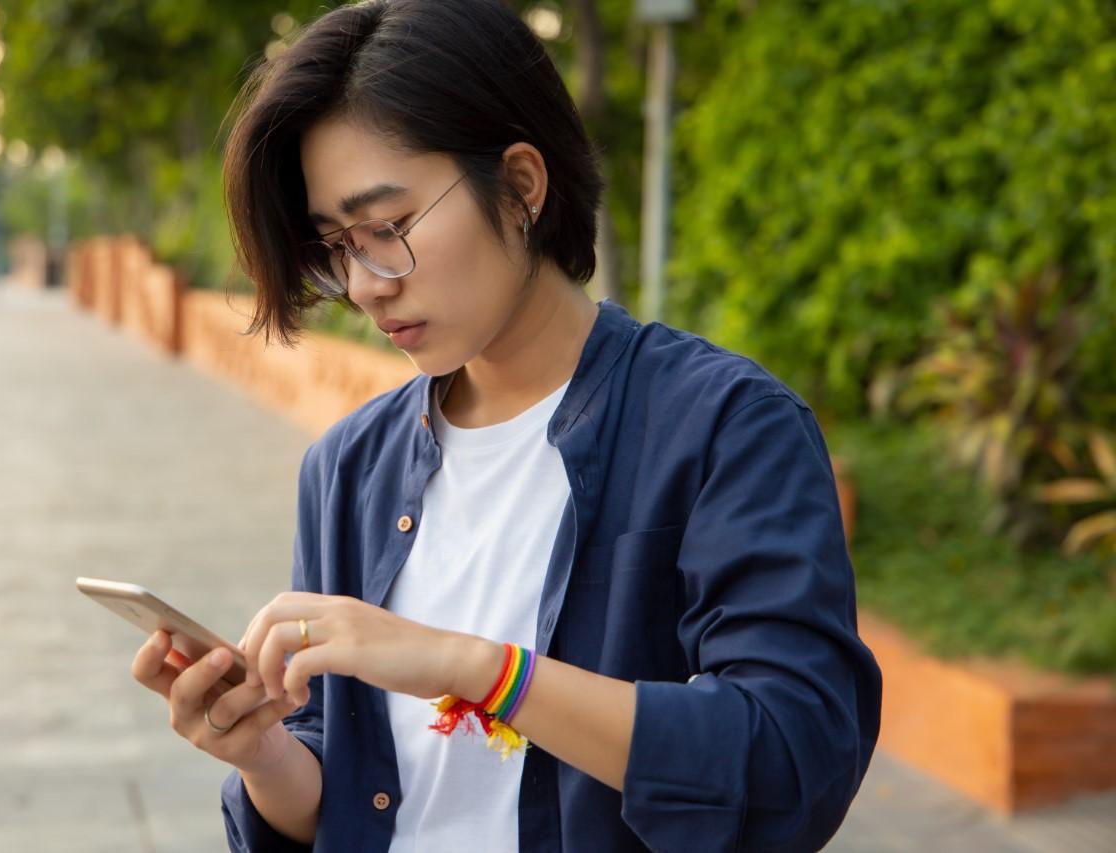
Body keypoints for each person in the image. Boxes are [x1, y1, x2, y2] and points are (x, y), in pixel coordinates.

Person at [130, 1, 883, 850]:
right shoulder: (349, 466)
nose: (368, 282)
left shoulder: (724, 429)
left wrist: (472, 666)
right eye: (338, 245)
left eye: (387, 228)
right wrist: (263, 753)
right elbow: (357, 788)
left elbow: (792, 758)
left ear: (522, 185)